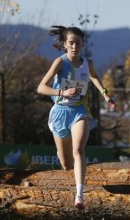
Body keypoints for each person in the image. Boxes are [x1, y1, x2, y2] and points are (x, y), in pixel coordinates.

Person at [37, 26, 116, 209]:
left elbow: (94, 77)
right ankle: (63, 158)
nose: (75, 46)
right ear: (65, 44)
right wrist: (62, 92)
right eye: (71, 43)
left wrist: (105, 94)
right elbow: (41, 87)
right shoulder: (60, 62)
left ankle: (79, 196)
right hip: (60, 113)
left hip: (79, 111)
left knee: (79, 150)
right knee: (66, 164)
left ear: (82, 44)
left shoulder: (87, 62)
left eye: (78, 43)